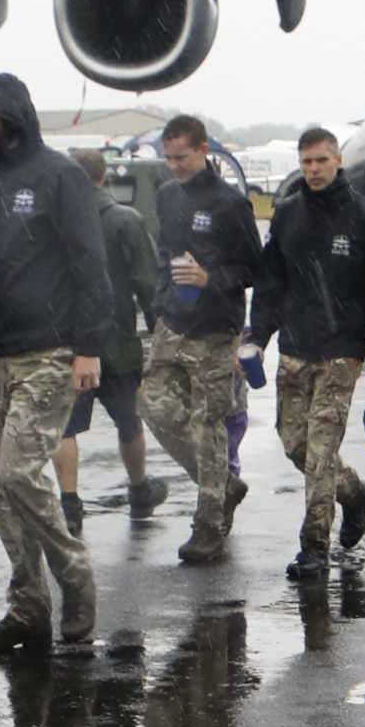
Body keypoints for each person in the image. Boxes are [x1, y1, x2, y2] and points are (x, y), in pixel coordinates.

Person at [0, 71, 108, 655]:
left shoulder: (61, 175)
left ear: (14, 112)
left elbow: (91, 264)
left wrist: (89, 345)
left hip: (50, 347)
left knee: (19, 471)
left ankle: (74, 573)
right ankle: (29, 605)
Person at [249, 125, 365, 577]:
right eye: (306, 162)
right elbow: (271, 283)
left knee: (319, 454)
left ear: (338, 160)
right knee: (296, 446)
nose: (313, 170)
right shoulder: (287, 214)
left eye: (321, 161)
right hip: (294, 349)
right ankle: (355, 494)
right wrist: (257, 336)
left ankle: (314, 547)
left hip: (341, 351)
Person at [142, 113, 262, 562]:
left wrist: (211, 277)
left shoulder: (230, 203)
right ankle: (224, 487)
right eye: (168, 157)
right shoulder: (167, 194)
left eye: (181, 157)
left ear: (203, 149)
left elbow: (256, 267)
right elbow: (163, 252)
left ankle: (208, 522)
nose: (173, 165)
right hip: (173, 321)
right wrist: (157, 304)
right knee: (152, 405)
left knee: (208, 422)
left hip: (216, 327)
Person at [54, 149, 169, 530]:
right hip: (117, 341)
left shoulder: (56, 222)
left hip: (68, 343)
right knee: (128, 419)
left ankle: (69, 502)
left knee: (66, 427)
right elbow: (146, 283)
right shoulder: (126, 219)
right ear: (104, 177)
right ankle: (139, 490)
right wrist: (158, 328)